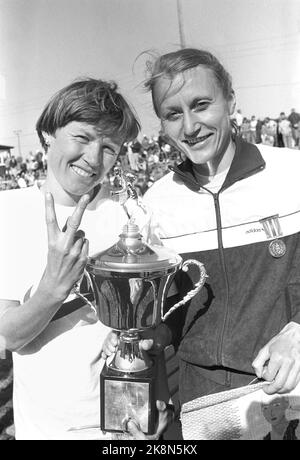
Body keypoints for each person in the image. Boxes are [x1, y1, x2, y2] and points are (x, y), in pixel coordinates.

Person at [103, 48, 300, 439]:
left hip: (284, 391)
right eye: (173, 114)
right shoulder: (157, 203)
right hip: (201, 403)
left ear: (230, 100)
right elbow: (172, 313)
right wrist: (145, 336)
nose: (189, 126)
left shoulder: (291, 173)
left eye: (201, 105)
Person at [0, 78, 172, 440]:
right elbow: (8, 336)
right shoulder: (8, 212)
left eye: (110, 147)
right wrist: (53, 287)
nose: (94, 159)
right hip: (47, 431)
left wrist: (152, 400)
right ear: (49, 133)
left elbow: (158, 325)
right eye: (82, 138)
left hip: (126, 424)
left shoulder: (131, 215)